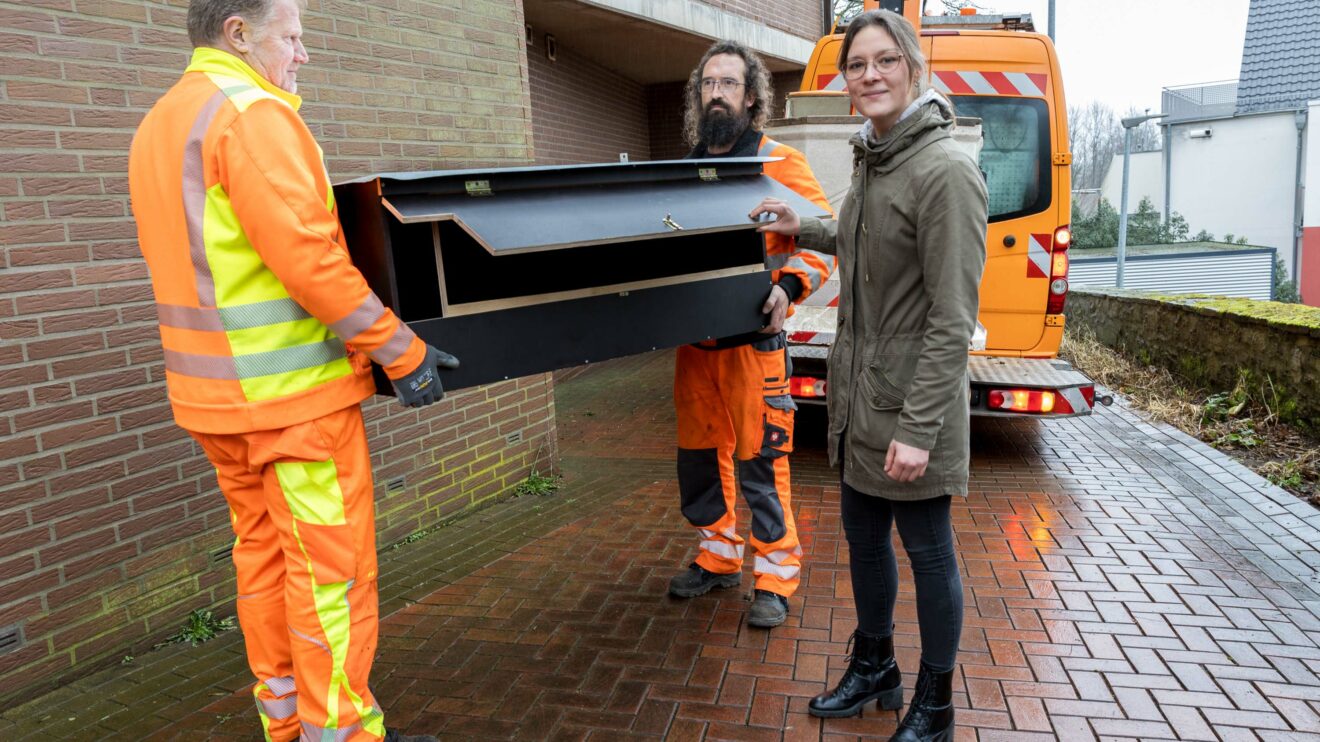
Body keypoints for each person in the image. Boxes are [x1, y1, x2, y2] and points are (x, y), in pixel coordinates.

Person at [128, 2, 456, 740]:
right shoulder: (252, 115)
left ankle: (287, 723)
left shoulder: (160, 123)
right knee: (329, 574)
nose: (303, 55)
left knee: (266, 562)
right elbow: (308, 257)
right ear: (239, 34)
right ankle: (340, 730)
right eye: (292, 37)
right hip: (293, 405)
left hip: (215, 403)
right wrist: (401, 350)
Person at [751, 9, 987, 741]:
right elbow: (860, 235)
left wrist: (919, 431)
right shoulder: (876, 156)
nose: (870, 75)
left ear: (912, 68)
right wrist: (796, 224)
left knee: (928, 554)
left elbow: (952, 321)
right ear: (846, 81)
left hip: (912, 406)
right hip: (861, 395)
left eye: (885, 61)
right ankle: (876, 668)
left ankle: (937, 705)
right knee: (862, 538)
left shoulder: (945, 170)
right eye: (858, 66)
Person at [668, 40, 835, 629]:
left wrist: (787, 289)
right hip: (695, 349)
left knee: (761, 462)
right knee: (700, 461)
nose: (717, 93)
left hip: (753, 348)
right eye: (708, 84)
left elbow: (820, 240)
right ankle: (717, 559)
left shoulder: (778, 163)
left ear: (752, 96)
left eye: (729, 84)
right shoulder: (681, 171)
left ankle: (775, 579)